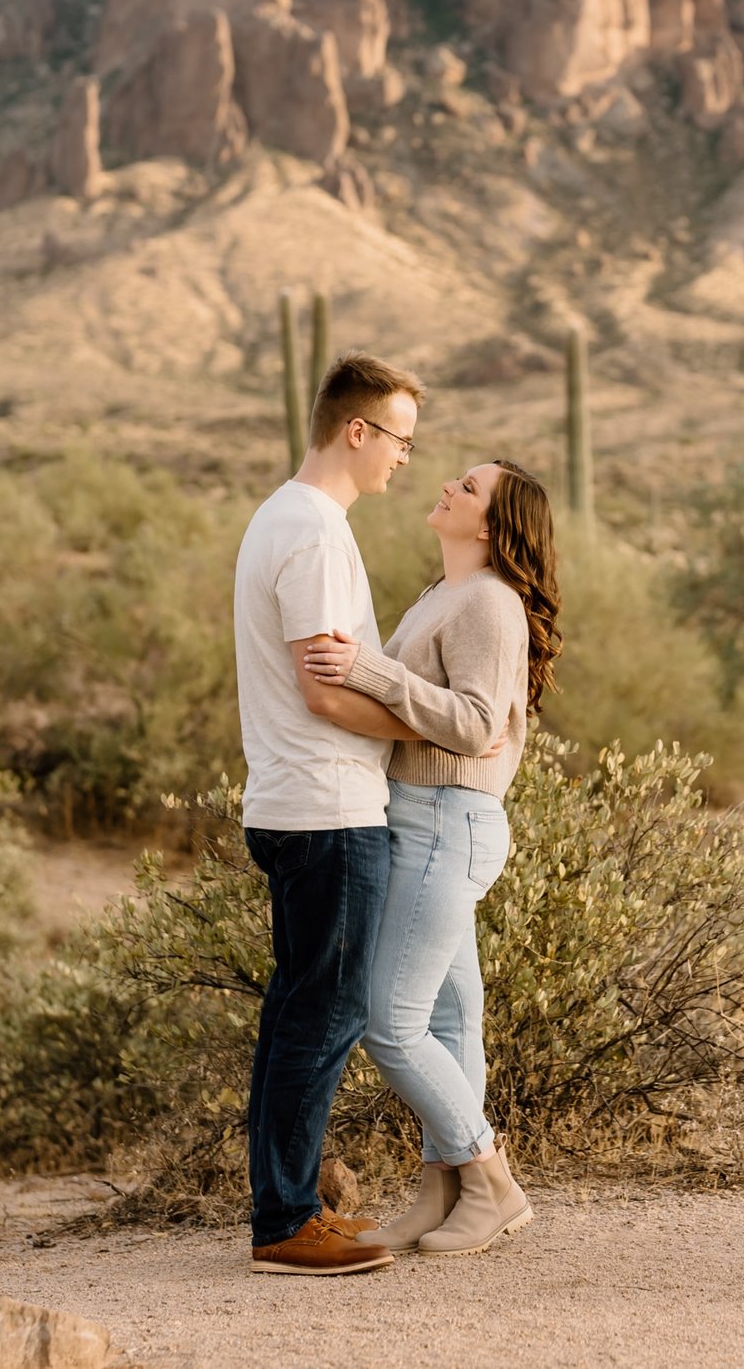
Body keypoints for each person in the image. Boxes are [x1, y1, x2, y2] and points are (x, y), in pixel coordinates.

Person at [302, 458, 561, 1256]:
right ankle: (442, 1191)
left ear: (489, 526)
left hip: (450, 820)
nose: (447, 486)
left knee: (392, 1021)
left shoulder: (489, 601)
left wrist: (367, 667)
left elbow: (479, 724)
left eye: (469, 487)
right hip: (423, 818)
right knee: (451, 1017)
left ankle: (490, 1180)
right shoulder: (441, 596)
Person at [231, 352, 426, 1277]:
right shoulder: (309, 530)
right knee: (327, 1011)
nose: (403, 460)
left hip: (297, 801)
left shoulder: (291, 517)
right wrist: (426, 725)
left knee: (297, 1009)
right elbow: (324, 688)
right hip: (326, 806)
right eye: (399, 440)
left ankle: (284, 1209)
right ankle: (285, 1224)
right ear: (357, 430)